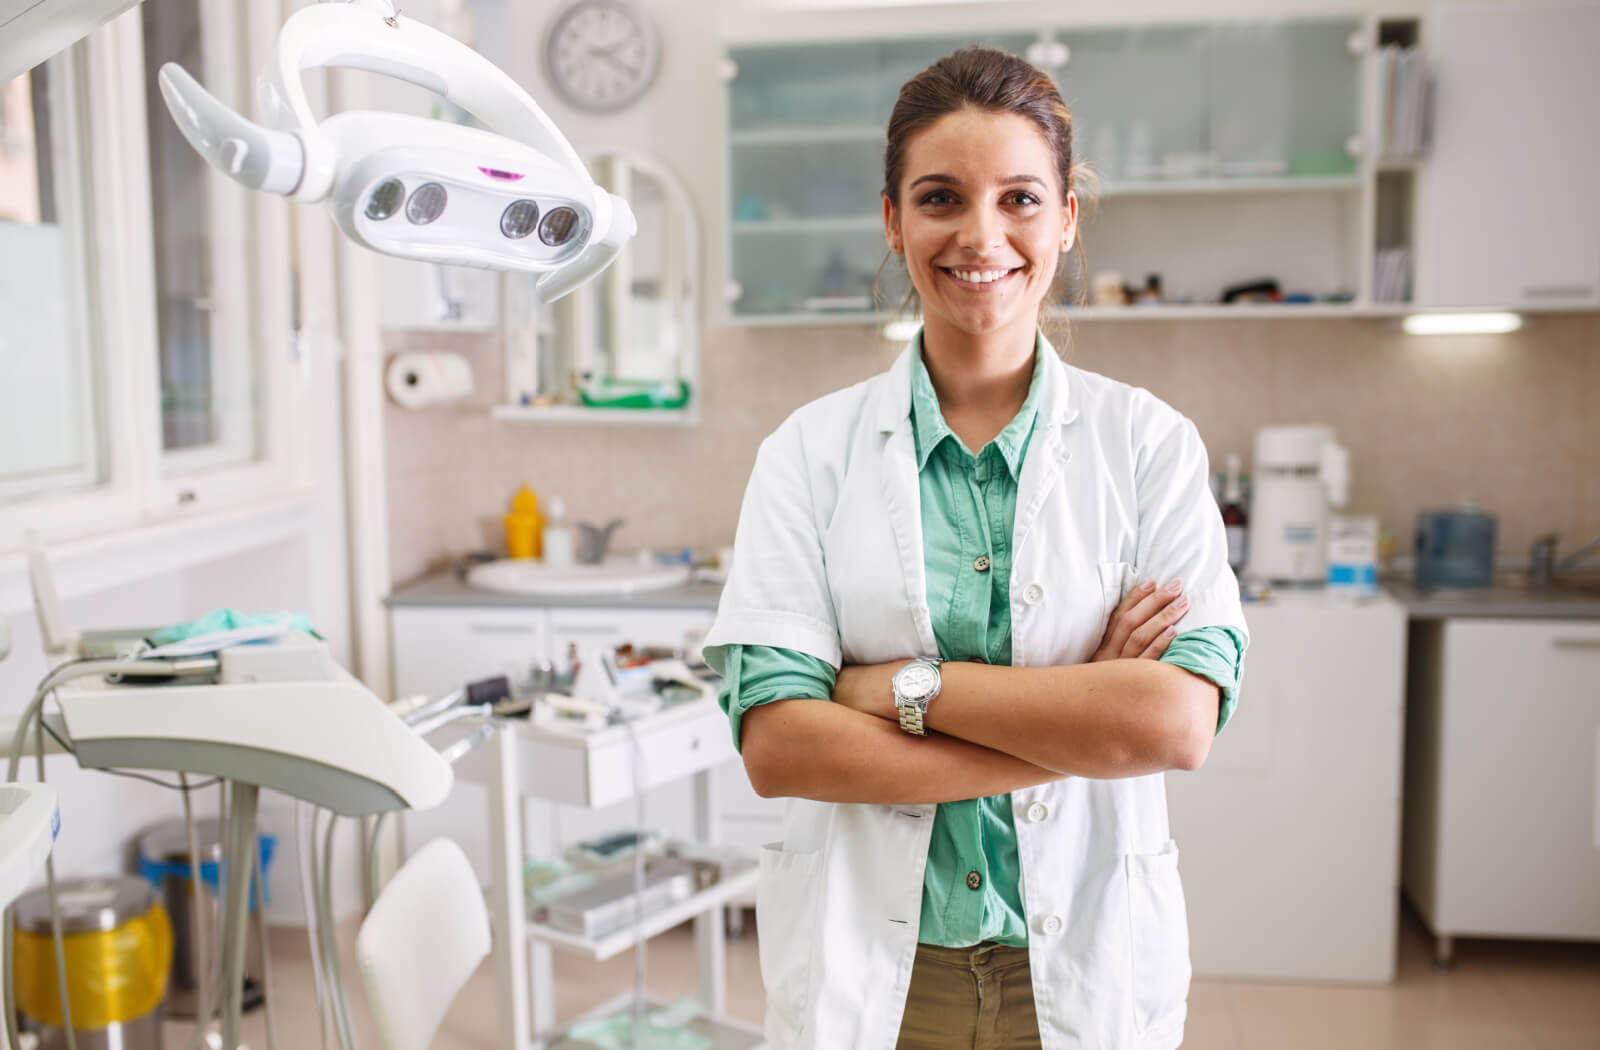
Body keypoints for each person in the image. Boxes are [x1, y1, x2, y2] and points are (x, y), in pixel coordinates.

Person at [702, 47, 1248, 1050]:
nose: (980, 235)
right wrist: (1077, 714)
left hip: (1082, 964)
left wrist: (895, 688)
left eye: (1021, 199)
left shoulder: (1146, 445)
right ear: (893, 220)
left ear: (1068, 219)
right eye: (941, 197)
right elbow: (780, 748)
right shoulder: (809, 454)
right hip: (879, 972)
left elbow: (1172, 726)